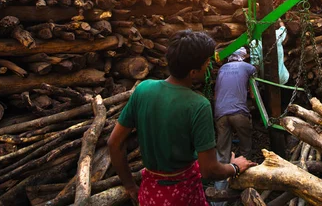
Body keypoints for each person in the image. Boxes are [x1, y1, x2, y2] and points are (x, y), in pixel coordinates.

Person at [108, 30, 256, 206]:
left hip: (150, 194)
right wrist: (235, 166)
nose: (209, 66)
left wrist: (130, 186)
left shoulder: (143, 89)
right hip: (183, 196)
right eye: (207, 63)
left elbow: (114, 143)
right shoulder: (198, 105)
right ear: (193, 72)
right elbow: (209, 170)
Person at [214, 47, 256, 163]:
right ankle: (244, 173)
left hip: (220, 112)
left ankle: (221, 179)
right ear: (242, 56)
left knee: (222, 149)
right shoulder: (247, 67)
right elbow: (255, 74)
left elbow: (216, 94)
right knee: (246, 147)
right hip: (239, 112)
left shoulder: (222, 69)